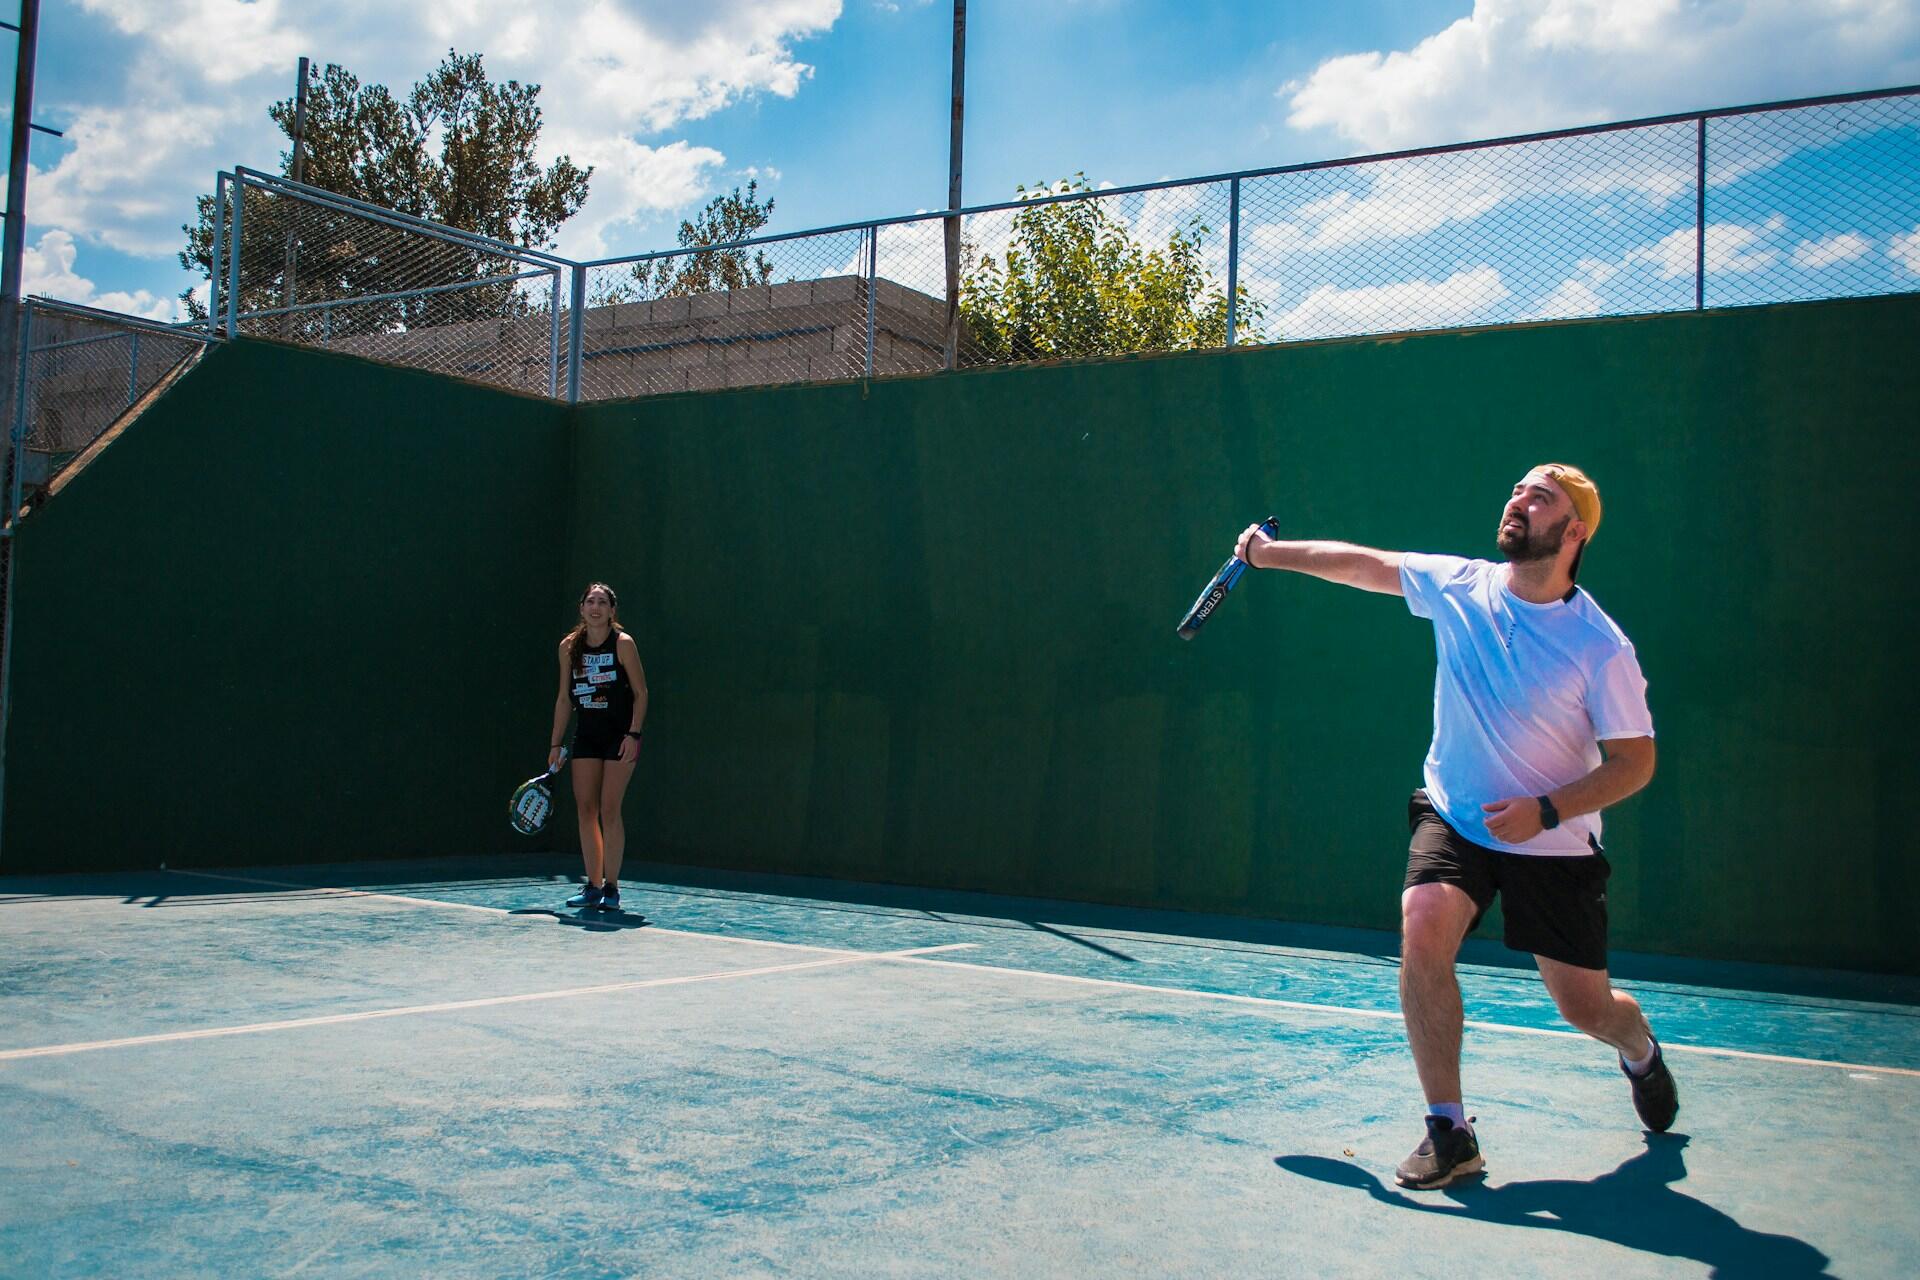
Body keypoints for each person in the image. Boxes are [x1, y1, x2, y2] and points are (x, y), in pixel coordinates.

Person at [1235, 463, 1675, 1191]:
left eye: (1541, 497)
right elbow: (1362, 564)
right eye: (1517, 488)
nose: (1518, 500)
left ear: (1574, 532)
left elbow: (1636, 762)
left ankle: (1638, 1047)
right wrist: (1266, 553)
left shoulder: (1601, 646)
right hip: (1457, 814)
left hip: (1553, 842)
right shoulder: (1460, 584)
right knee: (1424, 921)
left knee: (1585, 1006)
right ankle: (1450, 1129)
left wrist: (1546, 811)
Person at [548, 582, 648, 911]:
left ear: (611, 611)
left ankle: (612, 887)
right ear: (581, 608)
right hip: (586, 737)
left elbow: (641, 693)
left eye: (602, 602)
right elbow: (564, 698)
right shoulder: (568, 647)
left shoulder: (623, 644)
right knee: (586, 810)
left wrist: (633, 733)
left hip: (620, 737)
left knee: (609, 809)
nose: (596, 607)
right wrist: (556, 743)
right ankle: (592, 885)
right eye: (590, 601)